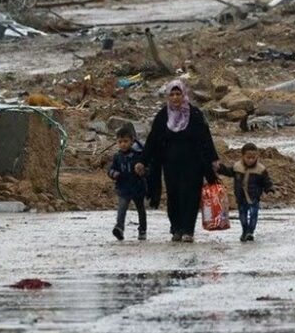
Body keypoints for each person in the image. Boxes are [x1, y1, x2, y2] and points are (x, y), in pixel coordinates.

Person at [142, 80, 220, 243]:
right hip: (171, 166)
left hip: (193, 165)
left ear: (184, 95)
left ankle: (188, 230)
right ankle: (176, 229)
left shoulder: (195, 114)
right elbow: (153, 140)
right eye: (172, 94)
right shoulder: (163, 116)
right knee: (174, 196)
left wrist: (213, 159)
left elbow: (205, 138)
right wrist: (143, 160)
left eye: (178, 94)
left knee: (190, 197)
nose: (175, 97)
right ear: (168, 96)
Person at [217, 143, 275, 242]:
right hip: (241, 197)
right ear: (243, 156)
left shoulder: (260, 169)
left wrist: (269, 190)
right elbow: (228, 171)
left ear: (257, 156)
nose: (251, 160)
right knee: (242, 217)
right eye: (248, 157)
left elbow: (266, 181)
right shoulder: (237, 167)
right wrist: (219, 168)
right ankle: (245, 231)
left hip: (254, 197)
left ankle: (250, 232)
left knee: (253, 215)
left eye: (253, 157)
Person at [108, 127, 147, 241]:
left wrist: (142, 172)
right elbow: (110, 169)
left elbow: (147, 169)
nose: (123, 144)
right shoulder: (117, 157)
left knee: (140, 209)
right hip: (123, 188)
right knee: (122, 208)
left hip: (137, 187)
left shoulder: (138, 155)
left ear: (132, 141)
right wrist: (114, 173)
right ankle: (119, 228)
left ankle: (142, 229)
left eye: (125, 141)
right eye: (120, 142)